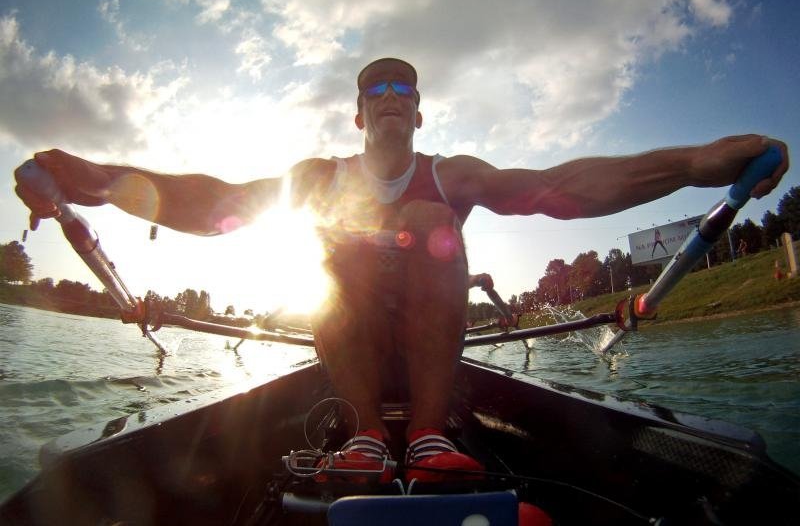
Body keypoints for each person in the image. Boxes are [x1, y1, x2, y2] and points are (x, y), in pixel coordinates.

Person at [15, 58, 789, 482]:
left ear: (417, 113)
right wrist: (91, 180)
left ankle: (423, 434)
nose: (391, 95)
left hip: (431, 346)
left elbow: (569, 185)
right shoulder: (318, 175)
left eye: (405, 88)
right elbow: (213, 200)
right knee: (336, 235)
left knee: (425, 221)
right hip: (347, 340)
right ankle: (362, 433)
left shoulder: (452, 173)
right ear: (359, 114)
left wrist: (696, 164)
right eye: (376, 88)